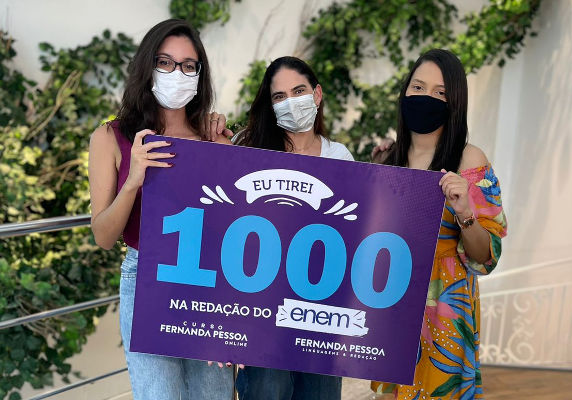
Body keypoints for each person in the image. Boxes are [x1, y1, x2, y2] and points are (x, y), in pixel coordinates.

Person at [88, 19, 234, 400]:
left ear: (199, 75)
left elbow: (230, 224)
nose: (176, 73)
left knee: (214, 395)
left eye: (188, 65)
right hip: (145, 276)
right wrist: (135, 177)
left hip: (208, 278)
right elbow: (103, 236)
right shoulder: (110, 137)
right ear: (146, 67)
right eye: (165, 62)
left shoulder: (214, 137)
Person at [370, 49, 507, 399]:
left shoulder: (469, 159)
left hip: (444, 308)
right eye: (418, 86)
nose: (426, 97)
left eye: (440, 92)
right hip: (393, 301)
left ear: (454, 102)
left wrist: (465, 212)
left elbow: (486, 256)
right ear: (405, 92)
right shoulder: (388, 159)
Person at [234, 56, 353, 400]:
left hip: (320, 314)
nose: (290, 102)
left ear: (316, 95)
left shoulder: (340, 157)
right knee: (268, 390)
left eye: (298, 91)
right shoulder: (249, 149)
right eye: (279, 96)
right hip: (263, 311)